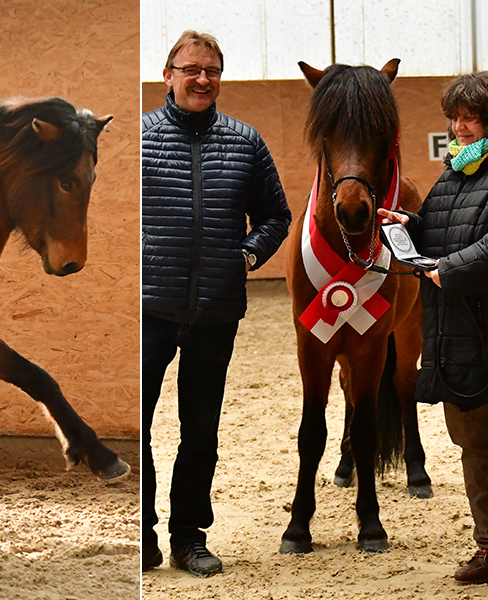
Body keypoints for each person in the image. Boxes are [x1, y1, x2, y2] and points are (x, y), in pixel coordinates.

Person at [141, 30, 291, 576]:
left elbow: (277, 215)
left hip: (216, 312)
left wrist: (248, 256)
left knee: (199, 429)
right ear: (168, 75)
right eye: (191, 69)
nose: (202, 79)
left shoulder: (246, 142)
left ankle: (189, 536)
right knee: (141, 424)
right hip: (150, 310)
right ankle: (142, 533)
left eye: (212, 71)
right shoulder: (140, 140)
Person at [378, 71, 488, 585]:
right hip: (460, 340)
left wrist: (449, 270)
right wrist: (408, 227)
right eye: (452, 117)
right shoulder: (454, 174)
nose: (458, 127)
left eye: (468, 116)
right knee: (479, 445)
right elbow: (437, 227)